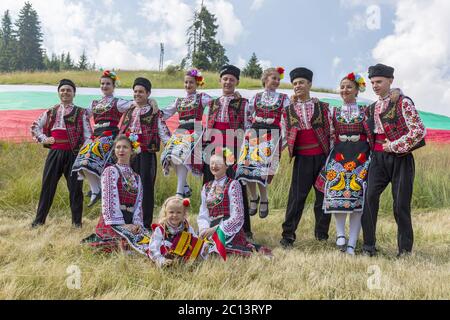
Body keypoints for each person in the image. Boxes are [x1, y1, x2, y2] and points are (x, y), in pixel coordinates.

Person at [362, 64, 426, 257]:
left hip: (401, 158)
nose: (375, 85)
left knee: (400, 205)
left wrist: (395, 145)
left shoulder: (403, 102)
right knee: (369, 198)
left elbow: (419, 130)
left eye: (379, 81)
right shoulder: (371, 107)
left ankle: (404, 251)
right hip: (378, 159)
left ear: (390, 81)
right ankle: (368, 246)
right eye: (372, 82)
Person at [72, 70, 143, 207]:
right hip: (96, 135)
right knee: (82, 159)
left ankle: (96, 190)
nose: (105, 86)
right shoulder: (94, 103)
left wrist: (150, 102)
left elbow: (134, 104)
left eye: (108, 84)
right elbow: (83, 115)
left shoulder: (118, 102)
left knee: (89, 156)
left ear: (113, 86)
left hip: (109, 136)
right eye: (102, 84)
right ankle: (96, 189)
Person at [321, 72, 373, 255]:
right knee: (337, 193)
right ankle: (340, 234)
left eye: (349, 86)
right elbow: (328, 134)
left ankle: (352, 243)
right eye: (342, 86)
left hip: (360, 155)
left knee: (357, 197)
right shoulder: (333, 111)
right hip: (340, 154)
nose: (345, 90)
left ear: (357, 90)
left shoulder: (366, 110)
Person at [280, 68, 332, 248]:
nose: (298, 86)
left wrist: (331, 158)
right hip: (302, 158)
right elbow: (284, 136)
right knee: (296, 198)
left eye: (301, 82)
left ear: (309, 84)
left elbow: (331, 132)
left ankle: (321, 234)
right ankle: (288, 235)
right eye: (295, 84)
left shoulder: (323, 107)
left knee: (323, 196)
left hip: (322, 158)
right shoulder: (287, 110)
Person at [31, 79, 92, 228]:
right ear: (58, 92)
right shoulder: (51, 111)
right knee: (48, 186)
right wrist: (45, 139)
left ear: (74, 94)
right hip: (55, 153)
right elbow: (34, 127)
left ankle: (77, 223)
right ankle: (39, 221)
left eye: (68, 90)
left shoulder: (81, 112)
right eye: (62, 90)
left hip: (73, 155)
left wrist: (83, 154)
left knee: (76, 189)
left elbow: (88, 136)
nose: (65, 92)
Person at [203, 64, 253, 240]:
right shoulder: (211, 103)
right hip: (214, 147)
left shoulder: (245, 103)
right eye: (225, 79)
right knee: (211, 186)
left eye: (232, 79)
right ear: (220, 81)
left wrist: (244, 151)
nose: (228, 82)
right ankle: (209, 227)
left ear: (237, 82)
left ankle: (244, 230)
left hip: (234, 147)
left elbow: (248, 126)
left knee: (237, 186)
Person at [82, 134, 152, 256]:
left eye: (125, 147)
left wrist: (136, 224)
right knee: (121, 246)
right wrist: (123, 225)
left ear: (132, 151)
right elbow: (109, 201)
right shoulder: (110, 171)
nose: (121, 150)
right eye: (118, 147)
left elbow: (138, 204)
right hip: (113, 222)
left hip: (130, 220)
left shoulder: (137, 177)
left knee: (148, 242)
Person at [235, 67, 289, 219]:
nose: (277, 81)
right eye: (274, 78)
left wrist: (283, 140)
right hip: (253, 132)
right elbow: (247, 113)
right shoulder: (256, 97)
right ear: (265, 79)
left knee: (261, 168)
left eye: (278, 79)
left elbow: (287, 120)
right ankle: (254, 197)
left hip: (271, 134)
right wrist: (246, 131)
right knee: (246, 168)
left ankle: (264, 198)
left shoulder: (284, 98)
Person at [198, 150, 272, 258]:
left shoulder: (233, 185)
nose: (214, 166)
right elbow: (203, 213)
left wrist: (216, 229)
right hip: (209, 228)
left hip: (227, 229)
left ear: (227, 165)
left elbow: (238, 216)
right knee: (198, 248)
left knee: (221, 248)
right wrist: (203, 229)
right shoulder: (206, 187)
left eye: (218, 163)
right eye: (212, 163)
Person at [120, 77, 171, 229]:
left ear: (148, 93)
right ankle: (127, 221)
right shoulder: (129, 110)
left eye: (141, 92)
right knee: (127, 186)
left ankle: (145, 223)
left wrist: (171, 148)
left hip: (146, 153)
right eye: (135, 91)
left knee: (146, 187)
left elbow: (163, 133)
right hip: (129, 155)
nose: (137, 94)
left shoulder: (155, 112)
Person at [161, 69, 212, 198]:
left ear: (197, 84)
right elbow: (164, 113)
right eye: (186, 82)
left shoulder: (202, 97)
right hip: (181, 131)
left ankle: (179, 192)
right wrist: (151, 106)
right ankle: (184, 186)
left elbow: (215, 105)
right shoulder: (178, 101)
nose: (188, 85)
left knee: (181, 155)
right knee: (170, 154)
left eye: (191, 82)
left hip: (195, 130)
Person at [149, 196, 209, 267]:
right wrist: (160, 259)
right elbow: (154, 245)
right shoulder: (161, 228)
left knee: (201, 245)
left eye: (178, 212)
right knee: (164, 244)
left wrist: (202, 247)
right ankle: (166, 262)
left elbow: (195, 239)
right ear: (166, 213)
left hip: (182, 253)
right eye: (171, 212)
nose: (175, 215)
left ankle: (185, 262)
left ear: (184, 214)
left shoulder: (186, 226)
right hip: (166, 253)